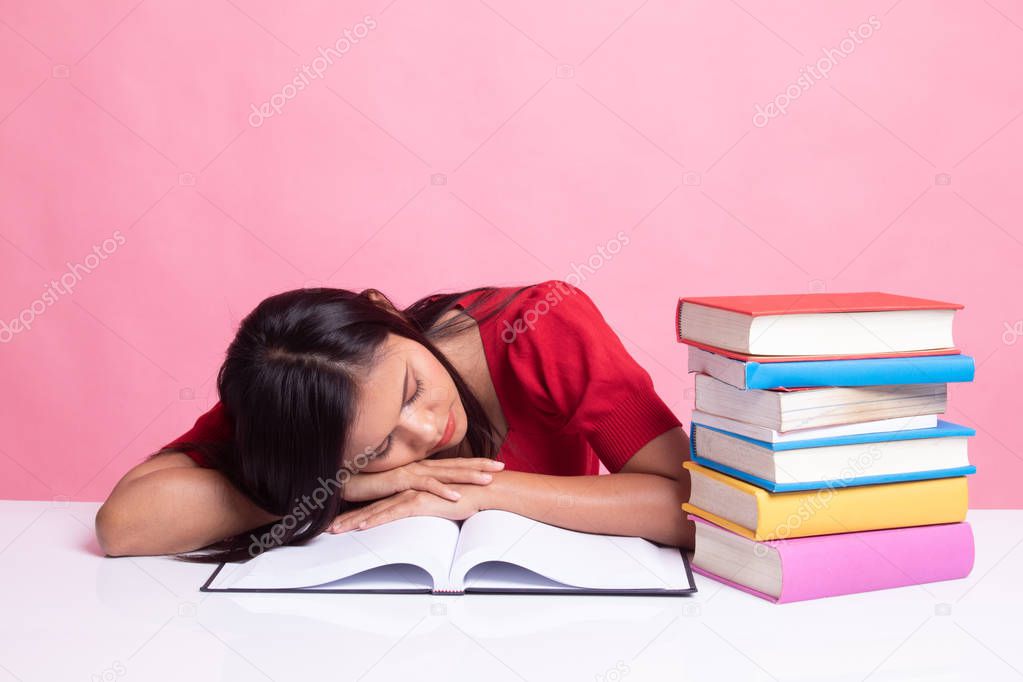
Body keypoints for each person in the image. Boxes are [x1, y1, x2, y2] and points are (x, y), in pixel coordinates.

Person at [95, 279, 693, 562]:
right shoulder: (300, 399)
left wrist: (481, 492)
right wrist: (329, 486)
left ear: (387, 314)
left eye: (414, 389)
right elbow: (123, 526)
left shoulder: (541, 328)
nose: (426, 431)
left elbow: (693, 508)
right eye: (378, 447)